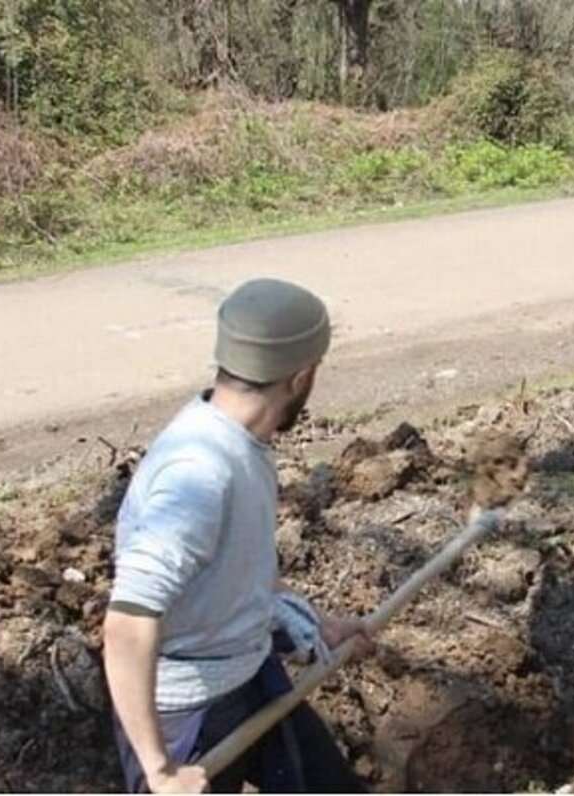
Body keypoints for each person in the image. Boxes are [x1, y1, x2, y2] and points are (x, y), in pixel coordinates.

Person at [103, 277, 377, 792]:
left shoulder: (243, 442)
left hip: (247, 670)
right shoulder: (198, 474)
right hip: (186, 713)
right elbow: (126, 624)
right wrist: (159, 770)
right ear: (302, 377)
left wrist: (322, 623)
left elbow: (239, 568)